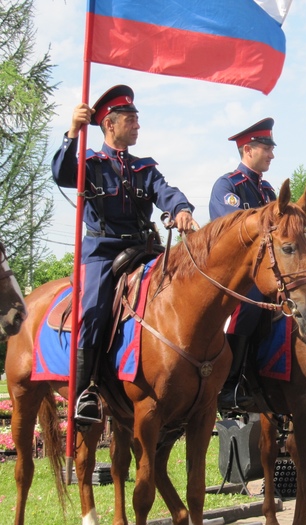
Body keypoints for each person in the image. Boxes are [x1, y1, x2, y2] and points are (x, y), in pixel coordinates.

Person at [52, 85, 198, 425]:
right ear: (109, 124)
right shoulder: (89, 163)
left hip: (143, 251)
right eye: (130, 120)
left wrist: (181, 209)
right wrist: (72, 132)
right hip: (102, 253)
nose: (137, 126)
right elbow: (60, 173)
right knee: (93, 309)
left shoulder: (144, 168)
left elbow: (167, 191)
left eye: (136, 119)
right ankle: (85, 390)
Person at [208, 117, 277, 409]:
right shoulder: (228, 185)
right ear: (248, 149)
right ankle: (229, 383)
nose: (272, 154)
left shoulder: (268, 192)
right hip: (235, 273)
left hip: (266, 269)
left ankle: (267, 375)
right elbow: (231, 233)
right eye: (267, 148)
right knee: (248, 307)